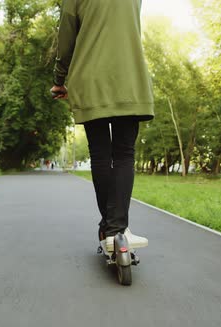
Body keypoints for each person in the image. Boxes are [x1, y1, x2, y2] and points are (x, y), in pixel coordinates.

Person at [51, 0, 154, 244]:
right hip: (130, 77)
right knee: (124, 154)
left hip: (91, 79)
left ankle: (110, 228)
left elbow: (66, 35)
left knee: (100, 154)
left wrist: (59, 79)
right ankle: (117, 229)